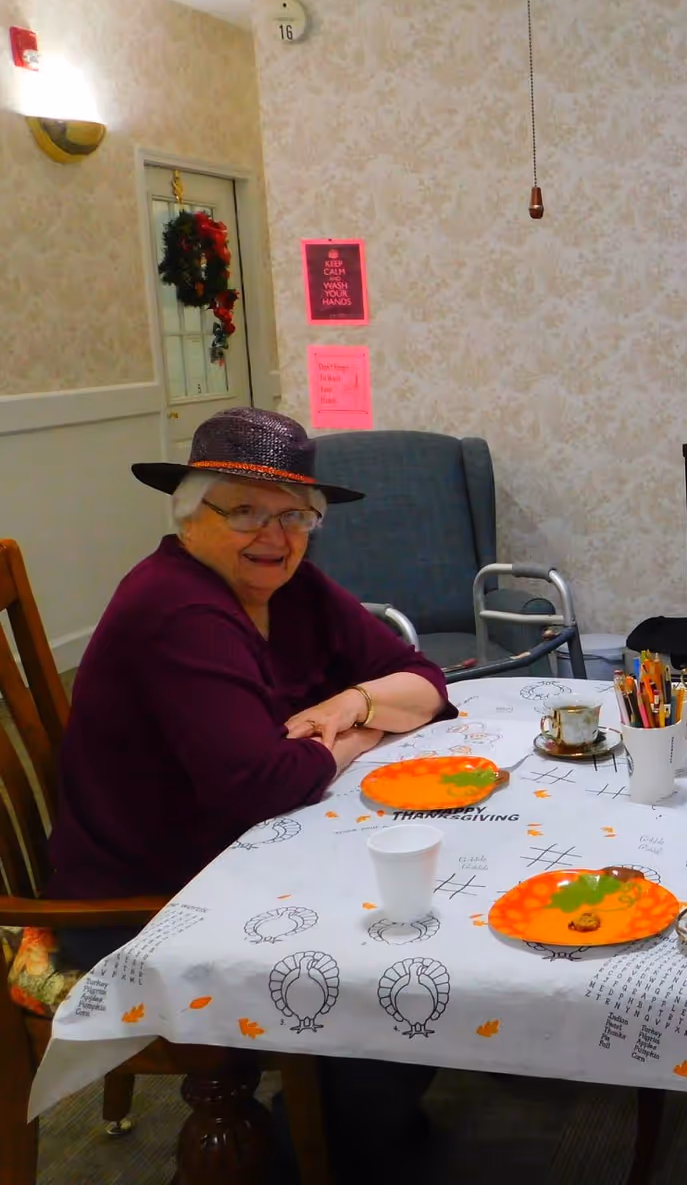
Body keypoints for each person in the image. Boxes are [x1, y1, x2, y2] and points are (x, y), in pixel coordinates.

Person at [32, 407, 454, 1181]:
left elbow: (422, 681)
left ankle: (352, 1131)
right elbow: (262, 785)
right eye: (245, 510)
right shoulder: (179, 605)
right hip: (146, 908)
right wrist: (362, 737)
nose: (276, 534)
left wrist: (344, 709)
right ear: (191, 516)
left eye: (296, 515)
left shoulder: (287, 585)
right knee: (394, 952)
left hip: (236, 863)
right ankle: (321, 1153)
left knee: (419, 908)